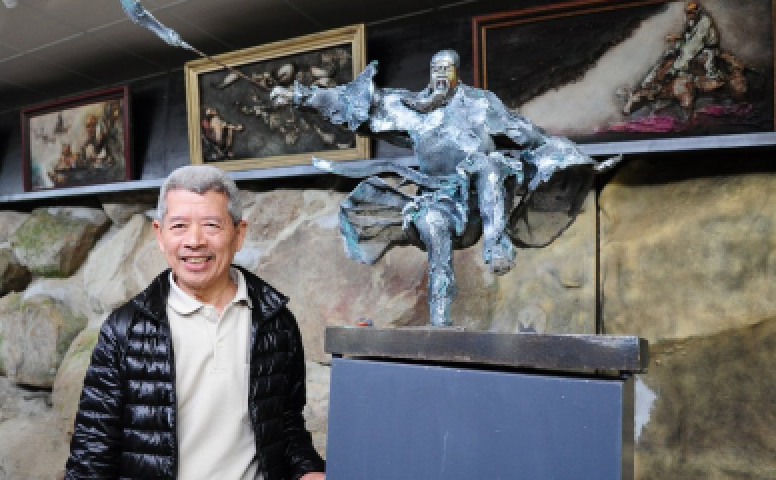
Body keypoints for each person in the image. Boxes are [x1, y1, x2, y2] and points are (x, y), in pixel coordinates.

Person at [272, 50, 615, 327]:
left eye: (446, 69)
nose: (439, 74)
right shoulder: (413, 110)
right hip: (438, 200)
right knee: (433, 225)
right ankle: (440, 321)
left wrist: (574, 160)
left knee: (488, 164)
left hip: (481, 201)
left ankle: (497, 246)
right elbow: (359, 103)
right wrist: (300, 96)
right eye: (435, 68)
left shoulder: (481, 104)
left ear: (456, 73)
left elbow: (530, 135)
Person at [64, 165, 326, 479]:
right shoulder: (126, 330)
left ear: (239, 234)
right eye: (179, 226)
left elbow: (287, 427)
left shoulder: (275, 322)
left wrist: (308, 470)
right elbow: (92, 452)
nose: (194, 241)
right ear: (160, 235)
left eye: (211, 225)